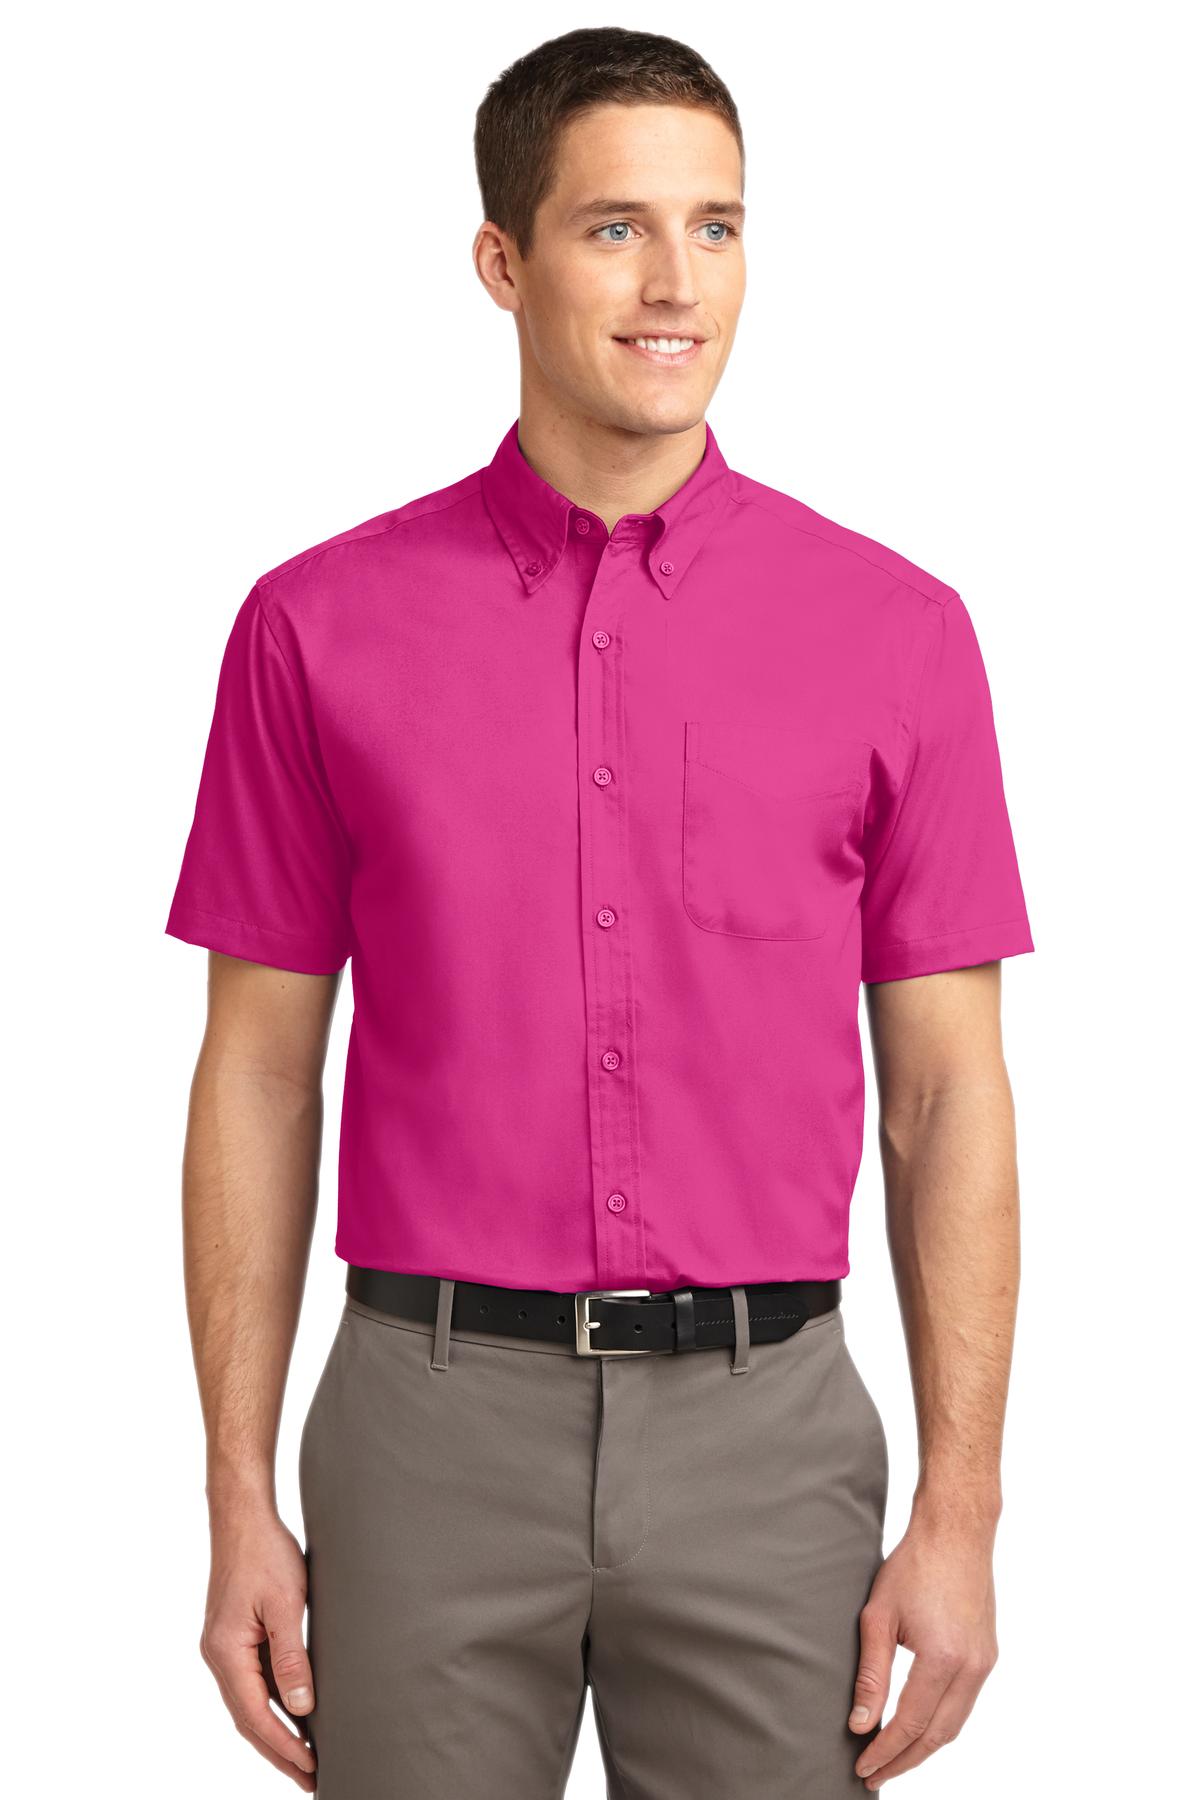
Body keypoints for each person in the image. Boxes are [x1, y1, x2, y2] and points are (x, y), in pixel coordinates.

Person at [166, 25, 1034, 1798]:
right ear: (502, 261)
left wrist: (962, 1511)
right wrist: (235, 1493)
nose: (676, 285)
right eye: (616, 228)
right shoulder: (312, 628)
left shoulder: (898, 634)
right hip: (425, 1428)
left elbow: (950, 1096)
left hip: (769, 1439)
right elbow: (256, 1073)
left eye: (718, 227)